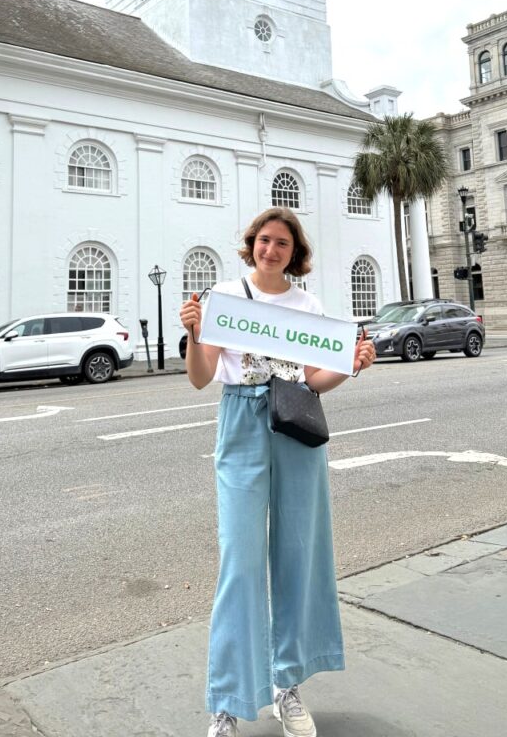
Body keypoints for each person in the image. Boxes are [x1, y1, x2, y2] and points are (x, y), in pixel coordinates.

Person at [179, 207, 377, 737]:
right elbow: (201, 378)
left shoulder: (306, 304)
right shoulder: (222, 296)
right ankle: (228, 700)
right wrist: (196, 335)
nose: (271, 250)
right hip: (241, 419)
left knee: (299, 556)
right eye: (264, 240)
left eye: (282, 244)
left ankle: (286, 686)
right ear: (251, 245)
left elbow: (313, 378)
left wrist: (350, 365)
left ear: (295, 253)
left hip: (294, 423)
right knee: (239, 563)